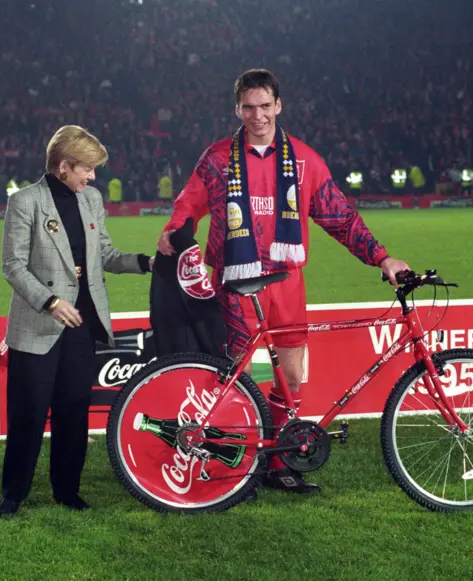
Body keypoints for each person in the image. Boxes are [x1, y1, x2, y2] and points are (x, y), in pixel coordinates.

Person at [157, 69, 409, 496]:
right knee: (232, 379)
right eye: (248, 107)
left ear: (279, 106)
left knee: (290, 379)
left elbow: (339, 217)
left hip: (287, 284)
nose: (257, 115)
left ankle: (278, 463)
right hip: (235, 286)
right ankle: (234, 466)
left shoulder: (306, 160)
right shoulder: (217, 159)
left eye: (265, 106)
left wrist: (381, 257)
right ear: (237, 108)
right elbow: (187, 206)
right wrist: (173, 232)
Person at [0, 125, 153, 517]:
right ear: (64, 165)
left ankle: (66, 490)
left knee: (74, 410)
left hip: (82, 324)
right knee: (29, 413)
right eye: (87, 168)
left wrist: (147, 263)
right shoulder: (26, 202)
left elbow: (105, 255)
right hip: (38, 325)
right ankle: (13, 494)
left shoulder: (92, 200)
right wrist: (50, 301)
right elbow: (13, 266)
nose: (93, 177)